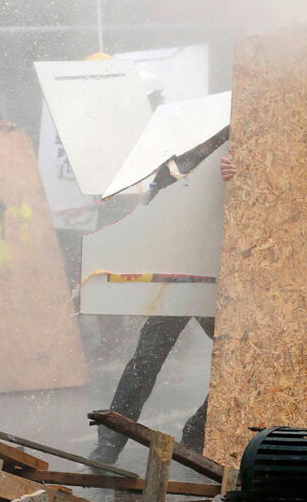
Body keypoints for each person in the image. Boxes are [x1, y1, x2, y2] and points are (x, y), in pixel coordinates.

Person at [90, 133, 234, 465]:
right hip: (178, 277)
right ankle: (110, 443)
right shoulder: (176, 163)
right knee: (147, 359)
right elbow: (151, 209)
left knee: (238, 360)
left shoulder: (240, 149)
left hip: (220, 281)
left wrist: (241, 179)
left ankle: (198, 430)